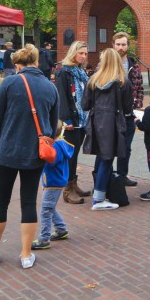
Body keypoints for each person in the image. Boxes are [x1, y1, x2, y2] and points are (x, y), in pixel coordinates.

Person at [0, 44, 59, 269]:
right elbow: (53, 126)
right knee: (28, 202)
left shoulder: (9, 83)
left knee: (0, 202)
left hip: (6, 151)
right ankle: (26, 255)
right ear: (37, 62)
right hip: (35, 154)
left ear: (18, 65)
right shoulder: (50, 87)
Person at [81, 48, 132, 211]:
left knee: (102, 158)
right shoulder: (123, 81)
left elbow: (85, 105)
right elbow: (127, 106)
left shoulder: (92, 80)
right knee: (107, 159)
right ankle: (99, 198)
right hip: (114, 123)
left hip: (96, 122)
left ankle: (100, 193)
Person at [55, 41, 92, 204]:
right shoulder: (64, 72)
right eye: (80, 53)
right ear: (73, 53)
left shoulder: (80, 71)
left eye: (85, 54)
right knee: (70, 154)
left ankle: (73, 184)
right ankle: (67, 190)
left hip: (83, 118)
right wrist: (66, 119)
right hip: (72, 119)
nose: (83, 56)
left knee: (75, 153)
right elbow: (62, 96)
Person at [31, 121, 74, 250]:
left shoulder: (56, 147)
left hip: (54, 182)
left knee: (46, 210)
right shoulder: (58, 144)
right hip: (54, 182)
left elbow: (51, 162)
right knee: (50, 207)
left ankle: (44, 238)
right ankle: (61, 230)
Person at [112, 32, 139, 186]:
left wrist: (137, 106)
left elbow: (139, 87)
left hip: (129, 113)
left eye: (123, 44)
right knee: (108, 146)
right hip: (111, 113)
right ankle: (107, 176)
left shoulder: (133, 64)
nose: (121, 47)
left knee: (126, 147)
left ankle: (122, 175)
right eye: (118, 44)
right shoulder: (105, 64)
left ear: (128, 46)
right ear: (113, 45)